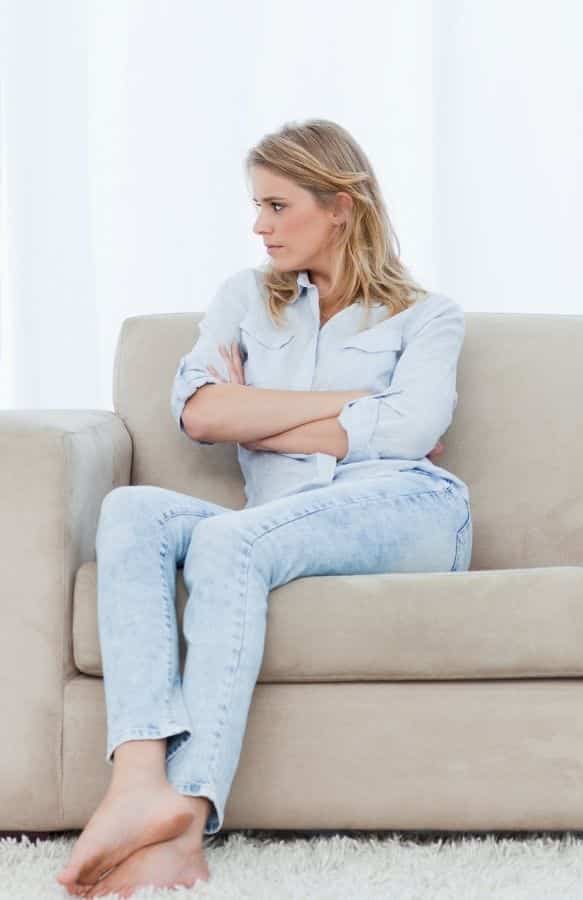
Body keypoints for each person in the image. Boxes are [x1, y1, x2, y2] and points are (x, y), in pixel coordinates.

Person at [56, 119, 472, 897]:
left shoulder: (427, 314)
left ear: (341, 206)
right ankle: (140, 777)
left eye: (278, 206)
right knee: (130, 510)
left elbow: (414, 430)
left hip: (407, 506)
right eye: (258, 206)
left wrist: (261, 407)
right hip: (278, 517)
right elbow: (203, 415)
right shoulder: (246, 298)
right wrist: (356, 406)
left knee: (229, 545)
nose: (259, 226)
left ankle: (186, 813)